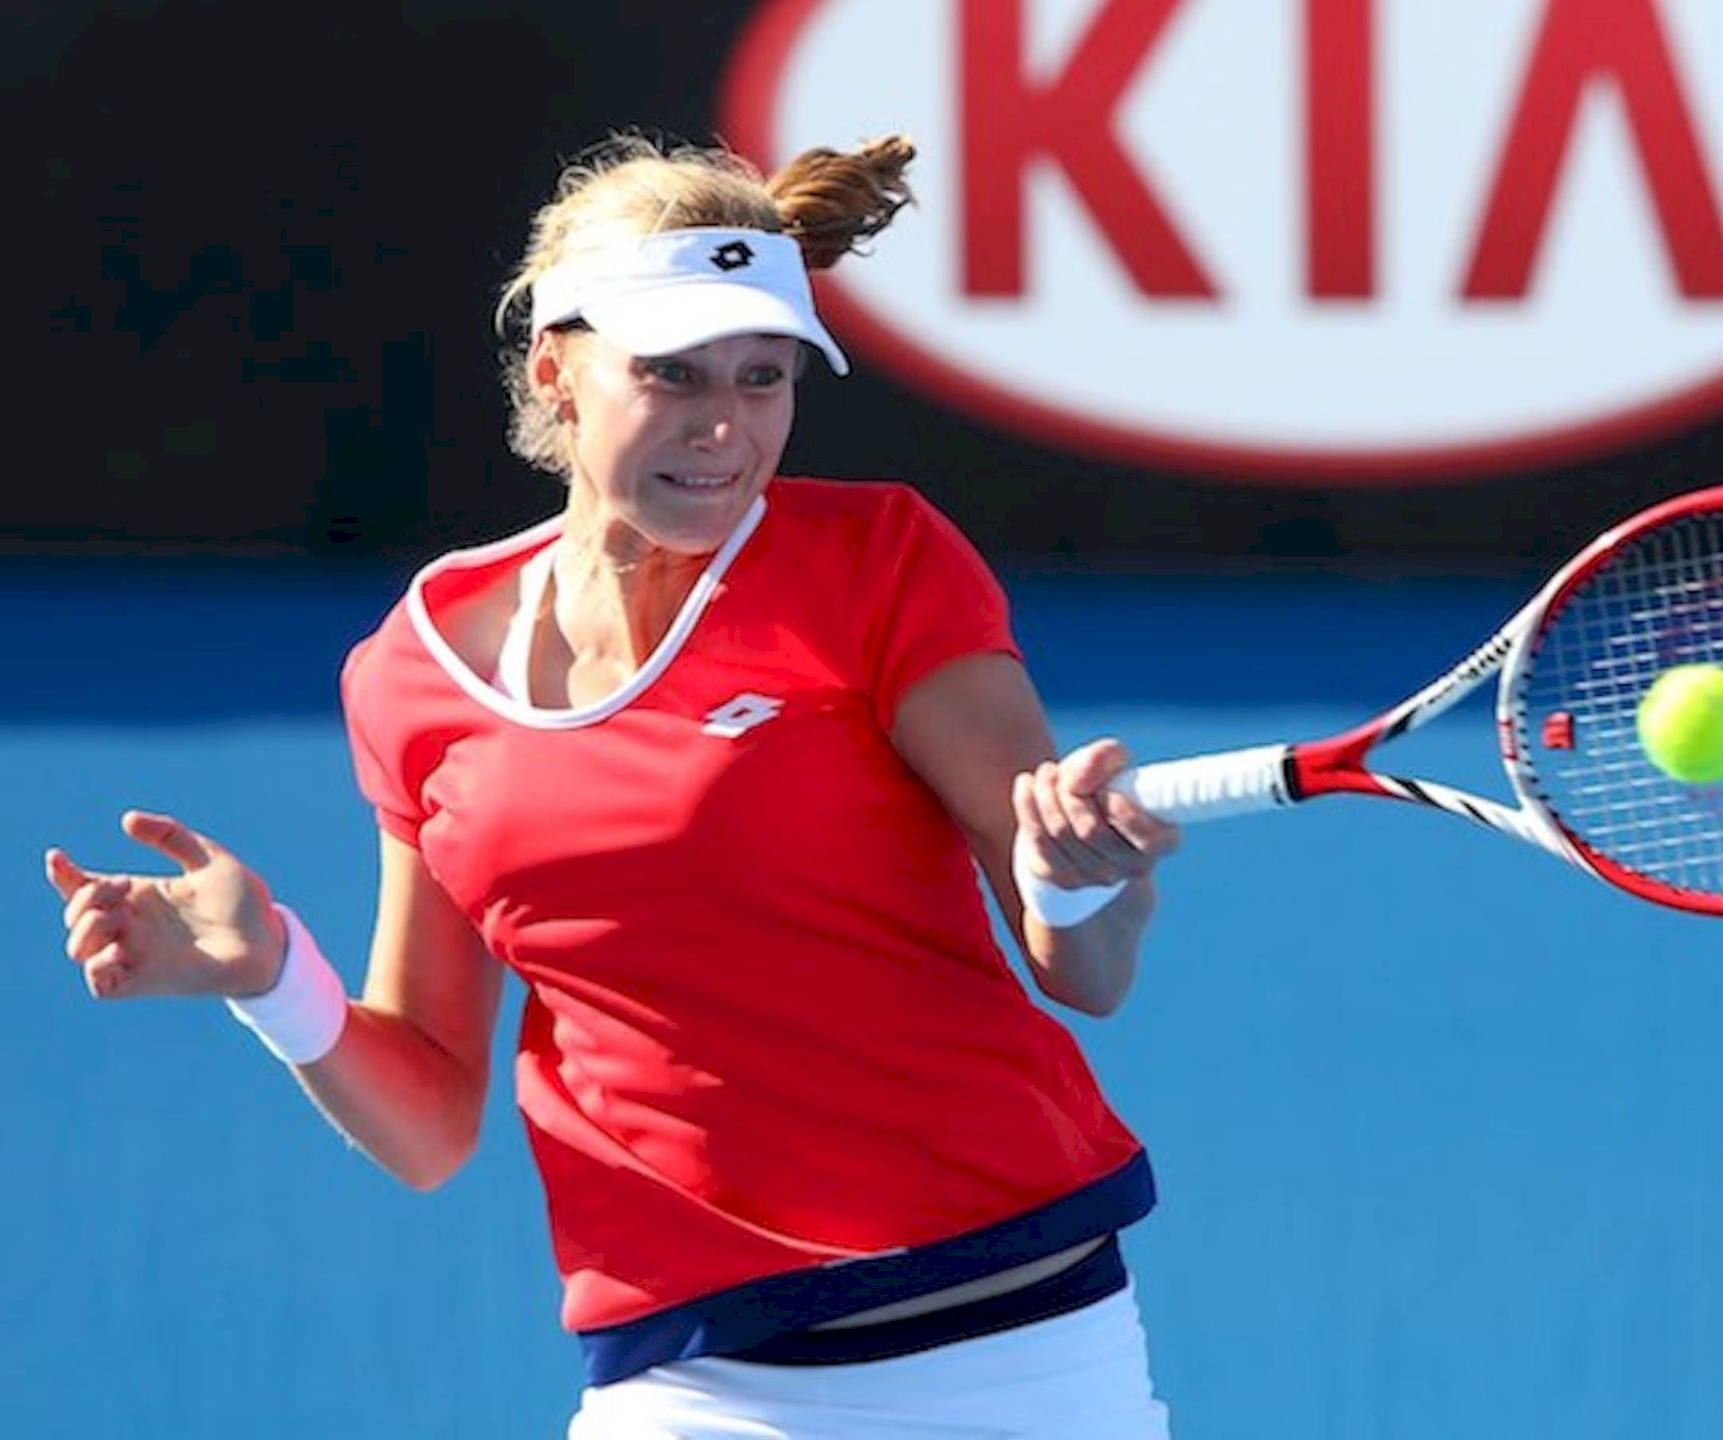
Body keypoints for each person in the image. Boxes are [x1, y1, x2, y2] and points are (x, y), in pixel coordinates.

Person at [44, 132, 1180, 1438]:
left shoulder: (881, 560)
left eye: (765, 379)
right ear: (556, 372)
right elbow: (425, 1118)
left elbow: (1081, 970)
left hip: (1015, 1348)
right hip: (685, 1371)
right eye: (670, 374)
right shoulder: (409, 677)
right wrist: (268, 980)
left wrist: (1092, 883)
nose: (723, 427)